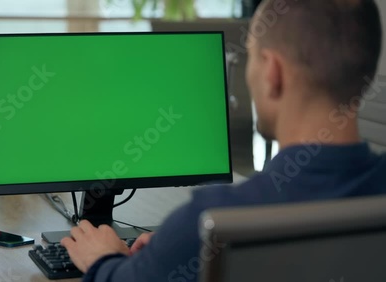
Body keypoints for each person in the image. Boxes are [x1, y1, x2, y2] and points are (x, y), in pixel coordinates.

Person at [61, 0, 386, 281]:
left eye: (252, 57)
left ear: (273, 71)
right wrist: (171, 247)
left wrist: (103, 259)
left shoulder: (212, 222)